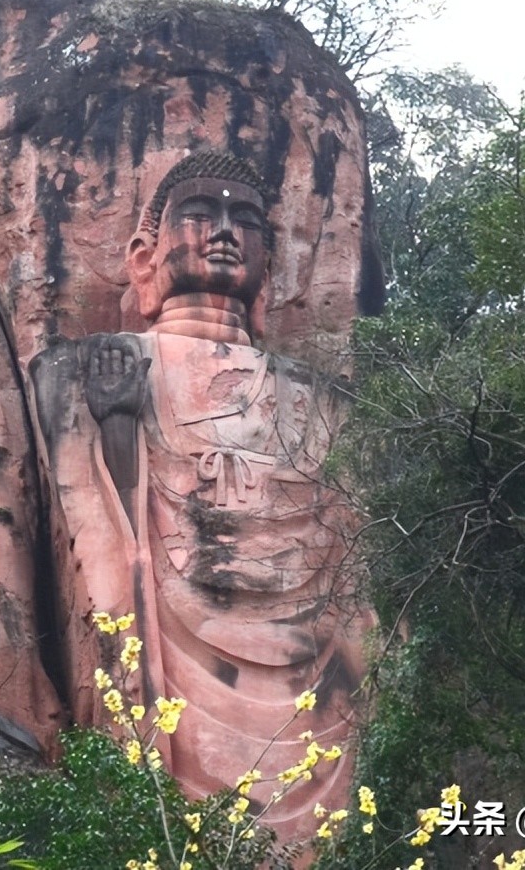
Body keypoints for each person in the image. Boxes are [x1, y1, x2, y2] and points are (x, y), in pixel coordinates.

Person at [30, 150, 367, 844]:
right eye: (199, 213)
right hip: (167, 652)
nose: (222, 230)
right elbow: (94, 545)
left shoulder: (327, 404)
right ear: (144, 255)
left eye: (244, 220)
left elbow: (355, 564)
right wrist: (118, 425)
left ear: (267, 269)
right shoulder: (85, 368)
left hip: (311, 667)